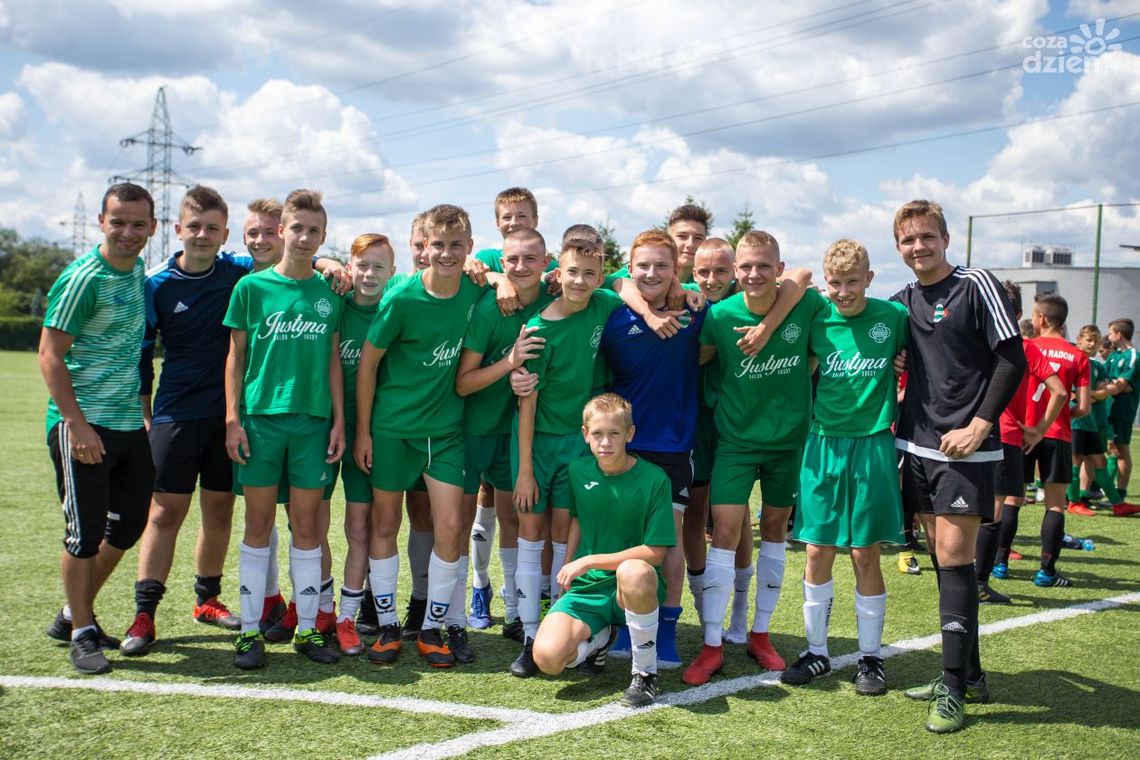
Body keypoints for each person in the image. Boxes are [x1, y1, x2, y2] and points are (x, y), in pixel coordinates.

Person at [891, 200, 1025, 734]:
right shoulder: (902, 301)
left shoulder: (976, 284)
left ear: (945, 238)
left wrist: (981, 424)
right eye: (907, 240)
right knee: (948, 563)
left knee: (952, 556)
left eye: (927, 237)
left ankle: (950, 685)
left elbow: (1013, 355)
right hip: (917, 446)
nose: (918, 247)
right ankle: (968, 674)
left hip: (965, 449)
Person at [683, 230, 821, 687]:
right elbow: (694, 358)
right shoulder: (719, 315)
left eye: (764, 265)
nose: (754, 274)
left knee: (776, 531)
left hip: (788, 442)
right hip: (735, 443)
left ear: (778, 268)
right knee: (723, 531)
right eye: (746, 266)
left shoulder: (803, 305)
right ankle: (711, 644)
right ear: (736, 270)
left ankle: (760, 635)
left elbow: (810, 283)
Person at [355, 204, 491, 668]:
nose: (447, 253)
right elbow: (368, 364)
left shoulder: (477, 289)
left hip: (446, 433)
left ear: (470, 248)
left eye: (457, 246)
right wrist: (365, 433)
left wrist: (500, 278)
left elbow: (510, 280)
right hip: (393, 430)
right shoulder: (402, 299)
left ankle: (432, 628)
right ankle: (389, 625)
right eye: (438, 245)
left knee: (451, 527)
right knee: (385, 526)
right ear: (424, 248)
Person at [779, 239, 908, 695]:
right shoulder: (817, 317)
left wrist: (904, 367)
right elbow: (790, 283)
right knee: (816, 550)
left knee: (865, 552)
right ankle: (817, 652)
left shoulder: (893, 319)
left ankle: (871, 659)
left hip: (872, 444)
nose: (844, 292)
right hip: (822, 446)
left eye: (853, 282)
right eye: (835, 283)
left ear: (870, 279)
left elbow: (922, 358)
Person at [223, 189, 345, 669]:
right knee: (257, 525)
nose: (304, 237)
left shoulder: (329, 292)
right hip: (260, 421)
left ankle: (311, 630)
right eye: (297, 228)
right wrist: (232, 419)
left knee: (309, 527)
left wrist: (338, 420)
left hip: (313, 425)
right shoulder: (251, 289)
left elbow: (334, 359)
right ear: (281, 231)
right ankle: (250, 632)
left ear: (323, 237)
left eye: (314, 231)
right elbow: (235, 358)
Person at [39, 182, 157, 674]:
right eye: (118, 222)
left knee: (128, 524)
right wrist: (76, 423)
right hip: (83, 426)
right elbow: (49, 355)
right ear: (101, 222)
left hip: (128, 424)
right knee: (84, 533)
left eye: (137, 224)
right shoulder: (83, 277)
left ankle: (71, 613)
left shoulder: (138, 274)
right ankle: (84, 632)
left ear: (152, 227)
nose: (127, 233)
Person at [597, 230, 706, 668]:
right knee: (627, 540)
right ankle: (626, 626)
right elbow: (609, 282)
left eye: (662, 265)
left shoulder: (695, 311)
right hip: (624, 446)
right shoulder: (612, 310)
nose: (651, 273)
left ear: (677, 267)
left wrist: (690, 292)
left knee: (671, 540)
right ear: (629, 265)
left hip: (674, 446)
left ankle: (666, 632)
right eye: (642, 265)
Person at [531, 393, 675, 707]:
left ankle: (645, 675)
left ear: (630, 434)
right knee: (548, 658)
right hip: (588, 587)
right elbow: (578, 521)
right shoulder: (578, 471)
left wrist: (591, 560)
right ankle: (599, 639)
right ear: (585, 434)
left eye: (614, 434)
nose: (605, 442)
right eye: (597, 434)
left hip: (633, 587)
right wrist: (569, 569)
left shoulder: (654, 480)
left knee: (633, 570)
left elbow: (656, 552)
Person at [456, 228, 554, 642]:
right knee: (458, 521)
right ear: (501, 261)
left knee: (514, 515)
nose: (520, 267)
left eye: (531, 259)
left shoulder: (556, 302)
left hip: (519, 432)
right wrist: (509, 363)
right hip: (474, 429)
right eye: (512, 260)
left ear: (547, 261)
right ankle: (458, 611)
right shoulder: (490, 307)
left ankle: (515, 612)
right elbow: (464, 383)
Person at [333, 234, 397, 655]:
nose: (369, 275)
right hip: (334, 430)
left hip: (381, 436)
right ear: (349, 268)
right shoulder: (334, 304)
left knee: (376, 527)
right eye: (362, 266)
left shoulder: (398, 306)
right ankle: (334, 615)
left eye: (379, 267)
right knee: (347, 527)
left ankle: (364, 614)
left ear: (393, 273)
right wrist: (325, 264)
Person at [985, 281, 1066, 599]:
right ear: (1018, 314)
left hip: (965, 434)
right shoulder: (1026, 347)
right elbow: (1060, 392)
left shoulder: (973, 340)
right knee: (1000, 505)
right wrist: (1040, 428)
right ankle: (984, 576)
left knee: (968, 507)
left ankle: (976, 572)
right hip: (1007, 435)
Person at [1025, 295, 1090, 587]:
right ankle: (1046, 571)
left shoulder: (1027, 347)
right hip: (1058, 434)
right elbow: (1084, 407)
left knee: (1008, 499)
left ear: (1041, 319)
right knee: (1054, 505)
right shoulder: (1078, 355)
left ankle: (997, 564)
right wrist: (1063, 416)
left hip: (1022, 433)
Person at [1066, 325, 1140, 517]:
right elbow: (1070, 394)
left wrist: (1086, 395)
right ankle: (1073, 502)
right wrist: (1089, 395)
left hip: (1091, 422)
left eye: (1095, 341)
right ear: (1079, 340)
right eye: (1088, 340)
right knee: (1075, 462)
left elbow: (1105, 392)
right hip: (1075, 421)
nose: (1092, 344)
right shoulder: (1072, 362)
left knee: (1099, 461)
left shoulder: (1098, 366)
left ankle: (1118, 504)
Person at [1106, 318, 1139, 501]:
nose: (1109, 336)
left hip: (1121, 411)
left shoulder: (1133, 356)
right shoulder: (1114, 355)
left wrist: (1098, 390)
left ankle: (1120, 492)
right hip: (1107, 408)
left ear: (1119, 335)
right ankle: (1104, 489)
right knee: (1109, 448)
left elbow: (1121, 386)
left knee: (1121, 450)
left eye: (1111, 332)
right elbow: (1106, 380)